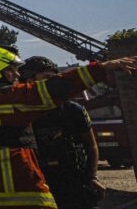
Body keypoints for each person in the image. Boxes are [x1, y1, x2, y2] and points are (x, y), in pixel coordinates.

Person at [0, 44, 137, 209]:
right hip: (20, 195)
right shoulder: (1, 99)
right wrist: (99, 69)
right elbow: (47, 91)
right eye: (10, 70)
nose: (16, 75)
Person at [20, 56, 104, 209]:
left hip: (74, 180)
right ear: (29, 81)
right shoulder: (23, 112)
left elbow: (91, 145)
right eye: (45, 78)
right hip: (41, 183)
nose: (50, 83)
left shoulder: (73, 110)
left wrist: (92, 176)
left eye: (52, 77)